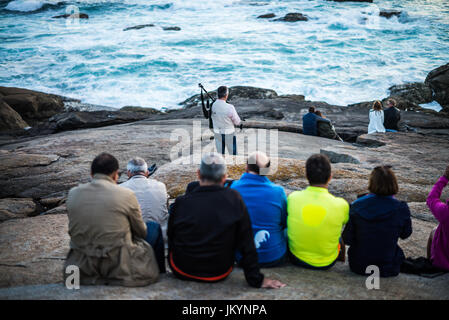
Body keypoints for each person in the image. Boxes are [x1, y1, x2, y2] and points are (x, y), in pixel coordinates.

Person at [168, 152, 286, 289]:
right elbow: (246, 241)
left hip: (181, 269)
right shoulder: (234, 198)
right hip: (219, 271)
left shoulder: (181, 202)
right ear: (225, 177)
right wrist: (256, 279)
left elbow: (171, 236)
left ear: (198, 174)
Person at [64, 153, 160, 286]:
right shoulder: (126, 194)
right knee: (153, 226)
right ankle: (162, 274)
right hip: (117, 267)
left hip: (81, 267)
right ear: (116, 175)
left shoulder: (73, 193)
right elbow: (141, 232)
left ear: (91, 174)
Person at [342, 166, 412, 277]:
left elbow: (347, 239)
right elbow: (406, 234)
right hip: (388, 266)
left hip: (359, 265)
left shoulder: (356, 205)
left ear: (371, 183)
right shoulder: (401, 208)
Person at [287, 154, 349, 270]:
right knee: (337, 233)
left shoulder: (293, 198)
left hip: (296, 258)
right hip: (327, 262)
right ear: (330, 177)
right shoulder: (341, 204)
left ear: (306, 176)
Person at [231, 151, 288, 267]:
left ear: (246, 167)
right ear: (267, 171)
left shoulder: (233, 188)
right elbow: (283, 222)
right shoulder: (278, 191)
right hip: (274, 257)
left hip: (242, 256)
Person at [121, 157, 169, 242]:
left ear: (128, 173)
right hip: (160, 240)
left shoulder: (121, 188)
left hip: (134, 242)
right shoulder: (161, 186)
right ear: (147, 172)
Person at [426, 165, 449, 271]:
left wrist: (444, 178)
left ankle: (429, 263)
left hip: (444, 264)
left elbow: (431, 199)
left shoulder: (445, 212)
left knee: (434, 231)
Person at [211, 86, 241, 155]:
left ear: (217, 94)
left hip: (217, 132)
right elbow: (237, 122)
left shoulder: (212, 105)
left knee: (220, 154)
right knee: (233, 154)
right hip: (229, 133)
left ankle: (221, 165)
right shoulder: (230, 107)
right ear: (226, 95)